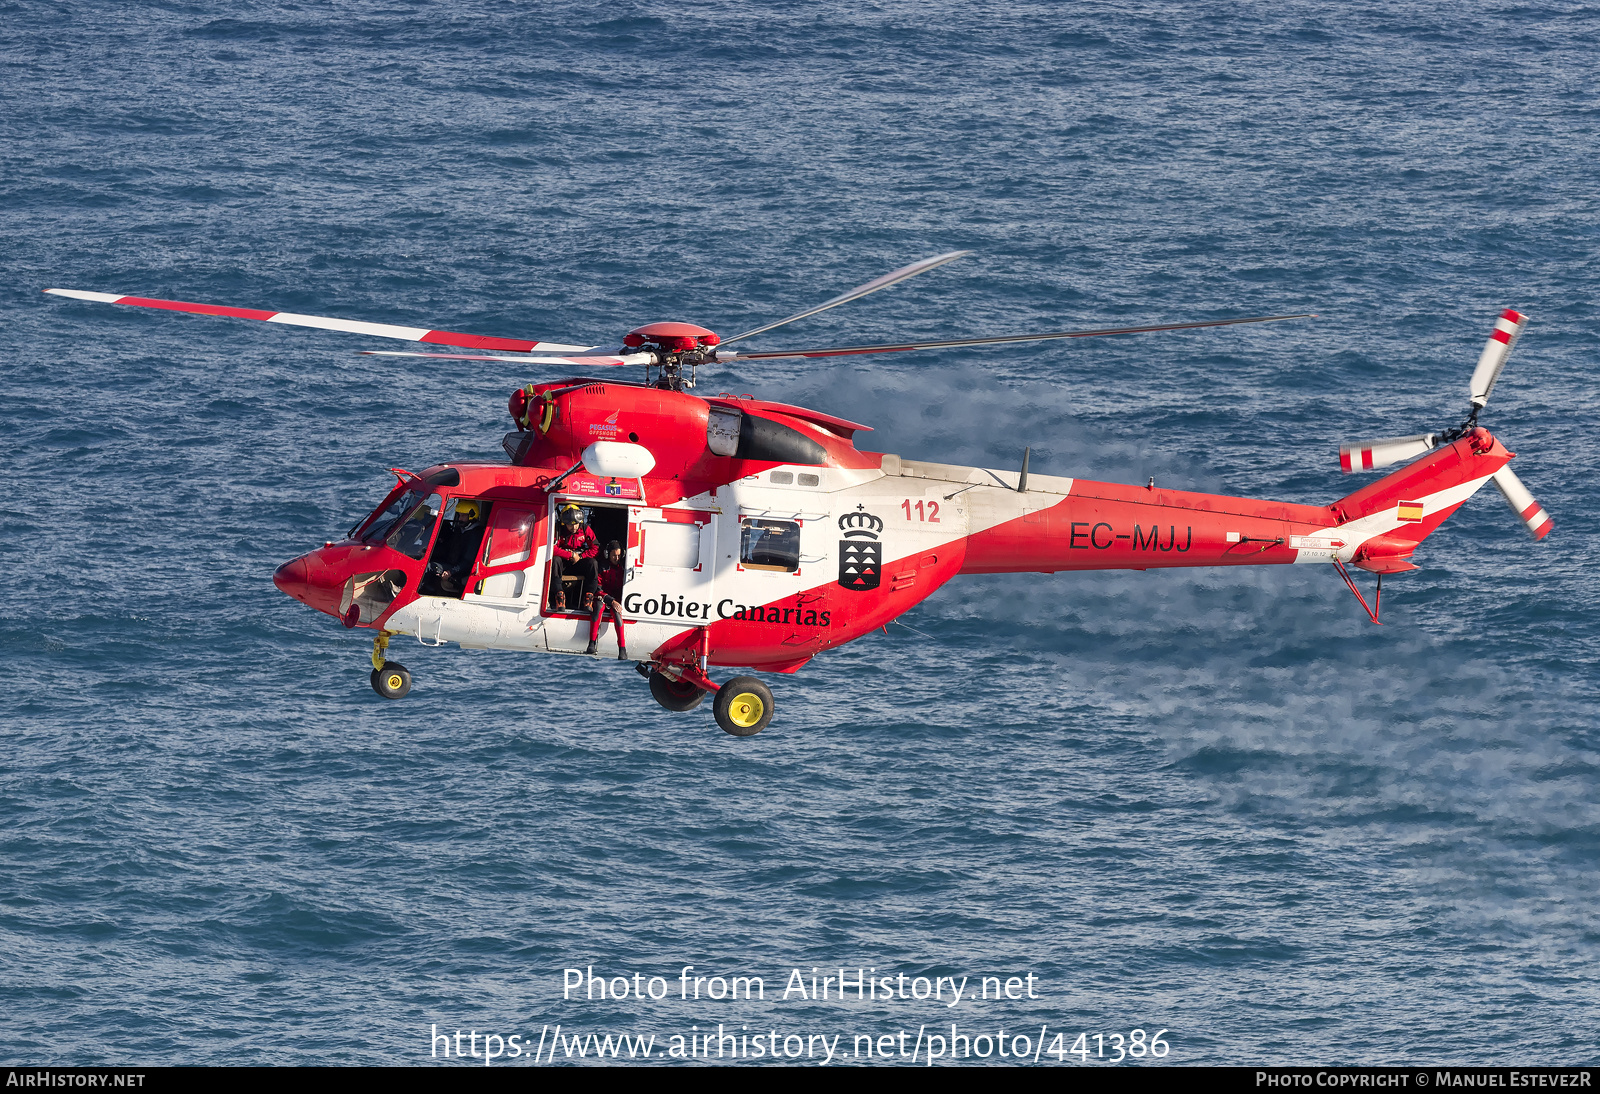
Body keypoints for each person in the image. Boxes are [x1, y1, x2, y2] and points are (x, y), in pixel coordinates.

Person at [423, 499, 486, 596]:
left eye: (463, 516)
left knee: (427, 566)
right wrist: (428, 551)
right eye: (459, 515)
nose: (460, 518)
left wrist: (451, 571)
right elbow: (450, 548)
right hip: (452, 562)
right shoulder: (461, 530)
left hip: (460, 569)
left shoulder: (475, 535)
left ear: (472, 515)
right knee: (423, 558)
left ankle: (416, 591)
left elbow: (468, 561)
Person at [548, 504, 598, 611]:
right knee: (555, 560)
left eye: (576, 524)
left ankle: (588, 598)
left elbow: (596, 548)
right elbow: (552, 548)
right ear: (564, 523)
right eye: (570, 525)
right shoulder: (558, 531)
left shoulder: (585, 529)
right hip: (564, 562)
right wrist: (570, 555)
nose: (574, 527)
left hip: (578, 561)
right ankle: (559, 596)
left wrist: (580, 556)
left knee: (592, 563)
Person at [585, 540, 628, 659]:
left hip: (616, 599)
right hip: (603, 597)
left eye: (619, 555)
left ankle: (622, 649)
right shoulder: (601, 567)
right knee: (597, 608)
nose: (617, 558)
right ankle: (591, 643)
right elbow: (597, 588)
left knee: (617, 614)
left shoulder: (624, 568)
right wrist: (610, 600)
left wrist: (616, 602)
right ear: (608, 554)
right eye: (614, 555)